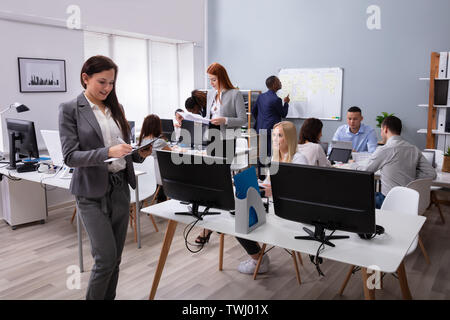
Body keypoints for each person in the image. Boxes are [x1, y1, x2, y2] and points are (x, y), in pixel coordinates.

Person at [58, 55, 152, 300]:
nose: (108, 88)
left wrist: (140, 153)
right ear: (85, 78)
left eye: (111, 83)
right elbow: (70, 157)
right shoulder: (70, 109)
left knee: (116, 259)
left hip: (120, 188)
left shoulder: (116, 109)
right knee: (105, 259)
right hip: (91, 192)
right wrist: (106, 152)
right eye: (102, 82)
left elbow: (123, 149)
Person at [236, 121, 308, 275]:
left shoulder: (298, 159)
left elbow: (300, 192)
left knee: (243, 221)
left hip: (290, 211)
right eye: (274, 135)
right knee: (238, 218)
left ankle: (258, 260)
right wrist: (259, 185)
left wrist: (273, 191)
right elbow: (269, 183)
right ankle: (258, 257)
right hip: (272, 204)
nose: (275, 139)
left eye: (280, 135)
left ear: (289, 138)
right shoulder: (276, 157)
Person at [193, 62, 247, 245]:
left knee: (220, 178)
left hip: (227, 139)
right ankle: (211, 222)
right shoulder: (210, 95)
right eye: (210, 80)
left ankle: (211, 225)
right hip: (212, 138)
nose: (211, 83)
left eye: (214, 79)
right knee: (211, 179)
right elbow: (209, 117)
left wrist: (225, 119)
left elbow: (243, 120)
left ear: (222, 77)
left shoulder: (235, 94)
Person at [355, 116, 436, 209]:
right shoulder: (414, 149)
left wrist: (351, 166)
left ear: (385, 129)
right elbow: (431, 173)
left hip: (388, 201)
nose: (381, 133)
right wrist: (411, 175)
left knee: (357, 197)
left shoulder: (384, 150)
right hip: (409, 202)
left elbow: (365, 170)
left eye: (381, 130)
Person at [252, 75, 290, 159]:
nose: (280, 83)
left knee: (262, 154)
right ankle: (269, 171)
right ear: (274, 85)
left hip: (261, 128)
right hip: (271, 130)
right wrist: (286, 103)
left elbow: (254, 111)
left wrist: (260, 120)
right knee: (271, 154)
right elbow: (283, 114)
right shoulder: (276, 99)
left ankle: (261, 171)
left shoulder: (261, 96)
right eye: (279, 82)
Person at [139, 114, 173, 203]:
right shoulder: (160, 142)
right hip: (160, 178)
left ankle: (160, 198)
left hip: (146, 177)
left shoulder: (141, 141)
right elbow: (172, 154)